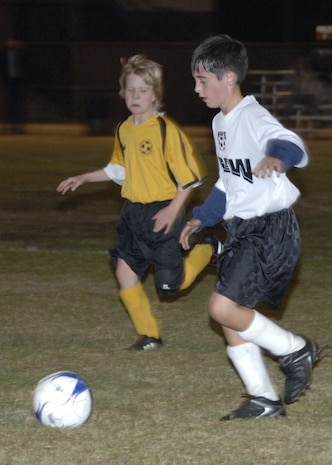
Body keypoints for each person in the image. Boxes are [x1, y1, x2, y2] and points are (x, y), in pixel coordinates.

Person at [180, 35, 323, 420]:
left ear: (228, 78)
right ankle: (263, 398)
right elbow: (229, 181)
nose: (196, 89)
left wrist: (277, 157)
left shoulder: (252, 115)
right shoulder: (219, 121)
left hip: (270, 228)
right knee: (231, 314)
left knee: (221, 306)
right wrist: (203, 217)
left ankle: (294, 348)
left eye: (202, 80)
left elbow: (292, 144)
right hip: (241, 229)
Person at [57, 54, 220, 351]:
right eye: (130, 89)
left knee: (172, 287)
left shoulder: (165, 130)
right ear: (123, 92)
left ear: (155, 94)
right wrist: (84, 177)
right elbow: (119, 170)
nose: (135, 96)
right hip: (133, 214)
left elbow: (192, 177)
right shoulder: (124, 129)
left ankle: (209, 247)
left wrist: (173, 208)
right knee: (124, 271)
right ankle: (150, 335)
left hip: (164, 213)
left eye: (142, 90)